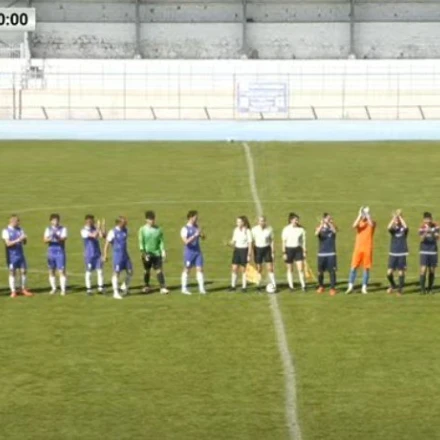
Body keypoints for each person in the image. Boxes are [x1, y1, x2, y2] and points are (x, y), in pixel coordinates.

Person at [346, 206, 376, 295]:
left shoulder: (372, 222)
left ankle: (364, 287)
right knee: (353, 267)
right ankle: (350, 286)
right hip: (358, 248)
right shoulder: (360, 222)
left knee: (366, 268)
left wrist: (367, 215)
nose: (364, 216)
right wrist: (359, 215)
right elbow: (354, 226)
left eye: (365, 214)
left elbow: (371, 224)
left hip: (367, 248)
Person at [138, 211, 169, 295]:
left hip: (157, 253)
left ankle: (162, 287)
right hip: (147, 253)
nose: (152, 221)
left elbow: (161, 241)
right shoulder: (142, 230)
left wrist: (163, 250)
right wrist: (144, 253)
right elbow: (141, 242)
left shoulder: (159, 229)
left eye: (153, 219)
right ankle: (146, 286)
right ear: (146, 220)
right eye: (150, 219)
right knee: (147, 270)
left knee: (159, 270)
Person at [2, 214, 32, 298]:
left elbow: (24, 243)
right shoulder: (6, 231)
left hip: (20, 254)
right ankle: (13, 291)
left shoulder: (20, 229)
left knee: (23, 271)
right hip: (11, 256)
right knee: (12, 272)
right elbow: (8, 244)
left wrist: (24, 239)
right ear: (12, 221)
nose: (19, 222)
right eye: (17, 221)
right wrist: (19, 239)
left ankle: (23, 289)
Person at [103, 216, 132, 300]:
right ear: (119, 223)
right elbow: (107, 244)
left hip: (125, 255)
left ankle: (124, 287)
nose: (126, 223)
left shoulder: (125, 230)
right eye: (124, 222)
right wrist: (105, 255)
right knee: (116, 273)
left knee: (130, 272)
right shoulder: (113, 232)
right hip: (117, 256)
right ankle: (115, 293)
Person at [180, 210, 206, 295]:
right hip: (189, 253)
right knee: (187, 270)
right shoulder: (185, 229)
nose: (197, 219)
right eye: (195, 217)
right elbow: (186, 242)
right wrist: (195, 235)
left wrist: (201, 235)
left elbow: (203, 238)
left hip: (197, 252)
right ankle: (184, 289)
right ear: (190, 218)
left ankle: (201, 289)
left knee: (200, 269)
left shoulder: (196, 226)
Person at [81, 215, 106, 295]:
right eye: (91, 221)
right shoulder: (84, 230)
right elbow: (94, 235)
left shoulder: (94, 228)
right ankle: (89, 289)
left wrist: (103, 226)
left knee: (100, 271)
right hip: (89, 254)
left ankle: (100, 288)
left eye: (92, 221)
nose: (92, 222)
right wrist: (98, 227)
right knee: (89, 272)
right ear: (87, 221)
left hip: (97, 253)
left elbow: (103, 236)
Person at [44, 213, 68, 295]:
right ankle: (53, 288)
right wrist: (50, 237)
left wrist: (57, 236)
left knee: (61, 270)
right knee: (51, 270)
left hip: (60, 252)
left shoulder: (63, 229)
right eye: (54, 220)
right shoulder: (48, 229)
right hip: (51, 252)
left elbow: (63, 239)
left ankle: (63, 289)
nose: (55, 222)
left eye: (57, 220)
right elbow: (45, 240)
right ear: (51, 221)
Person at [282, 212, 307, 292]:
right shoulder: (286, 229)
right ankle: (291, 286)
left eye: (297, 220)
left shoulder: (301, 229)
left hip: (298, 250)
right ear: (291, 220)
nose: (297, 221)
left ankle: (303, 285)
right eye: (295, 220)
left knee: (300, 268)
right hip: (289, 250)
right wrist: (284, 253)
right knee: (290, 269)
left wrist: (304, 251)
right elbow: (284, 242)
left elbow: (303, 242)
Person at [386, 209, 408, 296]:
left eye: (398, 219)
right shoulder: (394, 229)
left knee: (401, 272)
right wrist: (394, 218)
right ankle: (393, 285)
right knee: (389, 273)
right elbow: (388, 227)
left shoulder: (403, 229)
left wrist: (399, 217)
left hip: (402, 253)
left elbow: (406, 226)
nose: (397, 220)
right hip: (393, 253)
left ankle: (400, 290)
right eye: (396, 219)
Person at [252, 215, 276, 292]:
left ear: (265, 221)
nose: (262, 222)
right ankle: (258, 285)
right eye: (260, 221)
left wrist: (272, 251)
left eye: (263, 221)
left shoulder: (269, 229)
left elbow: (271, 240)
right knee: (259, 269)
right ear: (258, 222)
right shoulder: (254, 230)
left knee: (270, 268)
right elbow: (252, 241)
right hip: (258, 249)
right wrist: (252, 252)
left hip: (267, 249)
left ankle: (274, 284)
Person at [228, 216, 253, 292]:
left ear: (243, 222)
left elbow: (250, 243)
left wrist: (249, 254)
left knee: (243, 269)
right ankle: (233, 286)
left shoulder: (247, 231)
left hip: (244, 251)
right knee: (234, 268)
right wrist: (230, 243)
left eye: (239, 222)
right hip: (237, 250)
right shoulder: (236, 230)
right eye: (237, 222)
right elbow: (234, 241)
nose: (237, 223)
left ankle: (244, 287)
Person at [315, 213, 337, 296]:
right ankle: (321, 286)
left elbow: (335, 231)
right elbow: (316, 233)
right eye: (328, 218)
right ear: (324, 219)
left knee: (332, 271)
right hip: (321, 254)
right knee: (320, 272)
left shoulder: (332, 227)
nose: (330, 219)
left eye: (330, 218)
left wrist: (329, 223)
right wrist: (321, 224)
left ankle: (332, 288)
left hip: (331, 253)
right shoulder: (319, 227)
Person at [419, 211, 439, 294]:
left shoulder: (436, 226)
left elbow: (437, 238)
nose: (428, 221)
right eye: (426, 219)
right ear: (424, 220)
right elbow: (421, 239)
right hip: (424, 251)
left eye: (429, 219)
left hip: (433, 251)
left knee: (432, 270)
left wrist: (432, 231)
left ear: (431, 219)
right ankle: (422, 289)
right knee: (423, 269)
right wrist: (426, 232)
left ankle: (430, 288)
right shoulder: (422, 227)